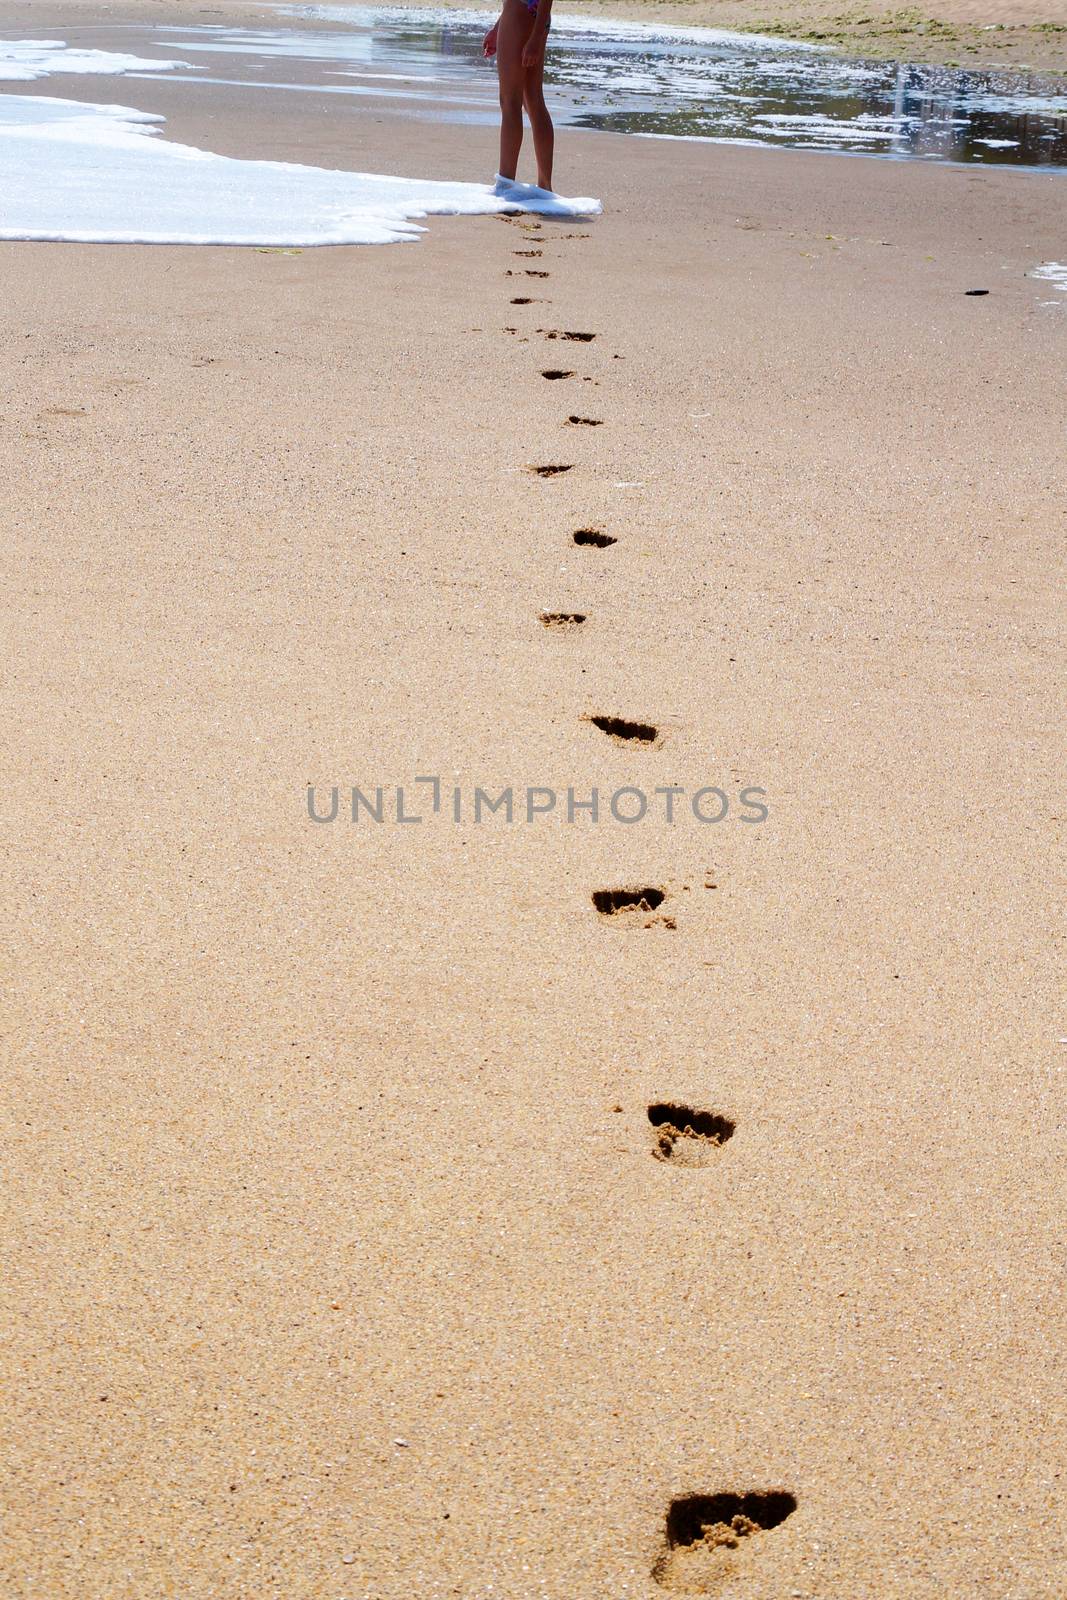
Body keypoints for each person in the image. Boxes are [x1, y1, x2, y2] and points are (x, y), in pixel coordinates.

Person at [483, 0, 555, 192]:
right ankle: (544, 186)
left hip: (521, 14)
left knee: (510, 101)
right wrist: (499, 26)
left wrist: (536, 37)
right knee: (533, 100)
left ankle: (505, 183)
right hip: (527, 14)